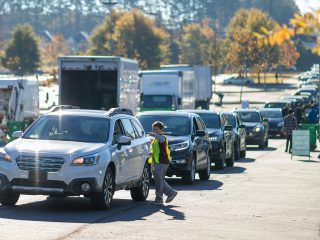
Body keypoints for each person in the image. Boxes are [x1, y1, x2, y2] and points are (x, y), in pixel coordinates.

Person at [148, 121, 177, 205]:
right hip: (158, 162)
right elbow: (156, 150)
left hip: (162, 162)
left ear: (161, 130)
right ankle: (171, 192)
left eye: (156, 129)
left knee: (159, 181)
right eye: (154, 129)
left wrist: (154, 135)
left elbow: (161, 140)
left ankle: (159, 199)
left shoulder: (162, 137)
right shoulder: (156, 139)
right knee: (159, 180)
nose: (155, 131)